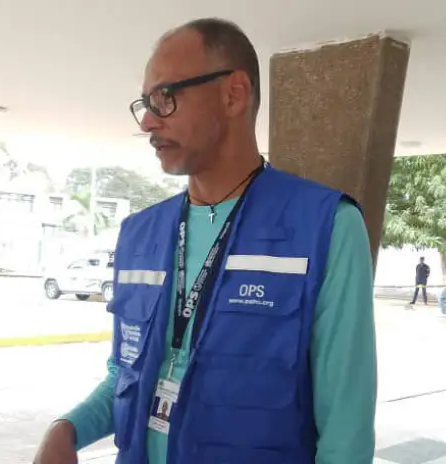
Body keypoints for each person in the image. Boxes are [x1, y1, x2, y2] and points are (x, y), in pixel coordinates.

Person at [34, 18, 377, 464]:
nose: (148, 121)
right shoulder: (139, 235)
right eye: (145, 103)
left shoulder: (326, 227)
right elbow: (126, 374)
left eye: (165, 98)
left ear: (233, 94)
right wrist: (68, 428)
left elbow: (346, 429)